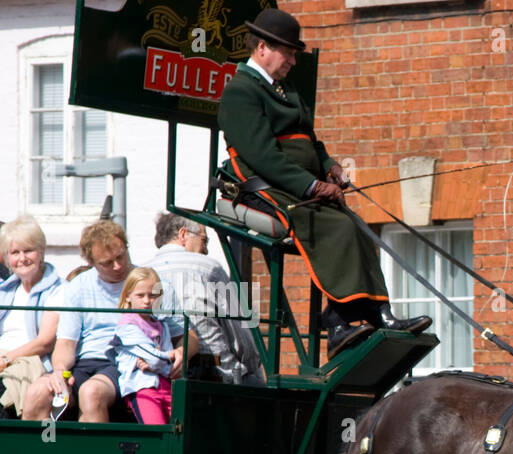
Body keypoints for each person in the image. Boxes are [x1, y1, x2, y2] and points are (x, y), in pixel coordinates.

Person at [217, 8, 429, 359]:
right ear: (263, 48)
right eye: (289, 52)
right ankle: (341, 322)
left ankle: (374, 313)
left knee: (357, 226)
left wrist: (330, 168)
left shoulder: (286, 89)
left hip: (295, 184)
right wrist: (312, 187)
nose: (293, 61)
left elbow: (311, 142)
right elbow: (263, 156)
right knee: (335, 226)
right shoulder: (241, 90)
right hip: (262, 187)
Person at [23, 220, 197, 423]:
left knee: (91, 392)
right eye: (106, 263)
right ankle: (42, 452)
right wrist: (60, 371)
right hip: (83, 363)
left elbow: (189, 337)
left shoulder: (154, 286)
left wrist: (181, 353)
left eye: (121, 256)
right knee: (37, 393)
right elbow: (66, 343)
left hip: (123, 362)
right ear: (91, 263)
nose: (118, 266)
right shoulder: (78, 286)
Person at [147, 212, 264, 385]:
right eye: (204, 240)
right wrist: (254, 364)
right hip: (216, 373)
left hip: (158, 373)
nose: (206, 249)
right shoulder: (209, 267)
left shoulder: (142, 271)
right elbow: (241, 334)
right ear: (183, 234)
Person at [0, 216, 62, 419]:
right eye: (15, 253)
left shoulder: (58, 290)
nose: (22, 258)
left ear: (41, 252)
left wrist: (7, 359)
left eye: (28, 251)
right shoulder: (6, 290)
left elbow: (45, 342)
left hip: (31, 362)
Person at [109, 267, 178, 425]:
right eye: (140, 295)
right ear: (128, 296)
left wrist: (159, 362)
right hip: (141, 387)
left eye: (153, 296)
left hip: (167, 386)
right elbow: (156, 359)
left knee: (179, 431)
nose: (147, 301)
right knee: (157, 431)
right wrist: (166, 358)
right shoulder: (126, 325)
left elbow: (160, 362)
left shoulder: (162, 325)